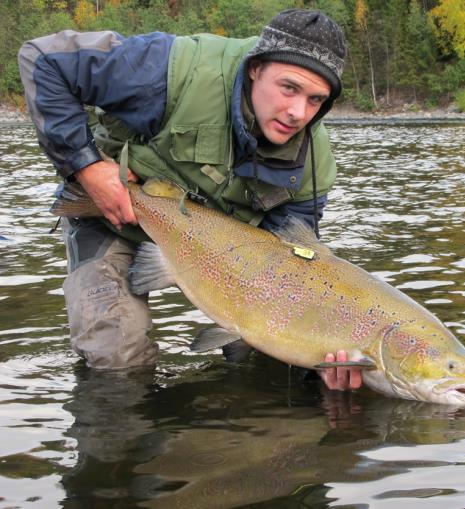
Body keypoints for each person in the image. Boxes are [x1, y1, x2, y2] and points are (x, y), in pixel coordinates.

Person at [18, 9, 362, 391]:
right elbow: (43, 58)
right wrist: (87, 167)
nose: (298, 112)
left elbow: (287, 269)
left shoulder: (313, 166)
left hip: (209, 254)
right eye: (289, 88)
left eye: (316, 100)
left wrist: (317, 356)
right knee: (119, 364)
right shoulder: (171, 70)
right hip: (108, 212)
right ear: (255, 68)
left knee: (275, 372)